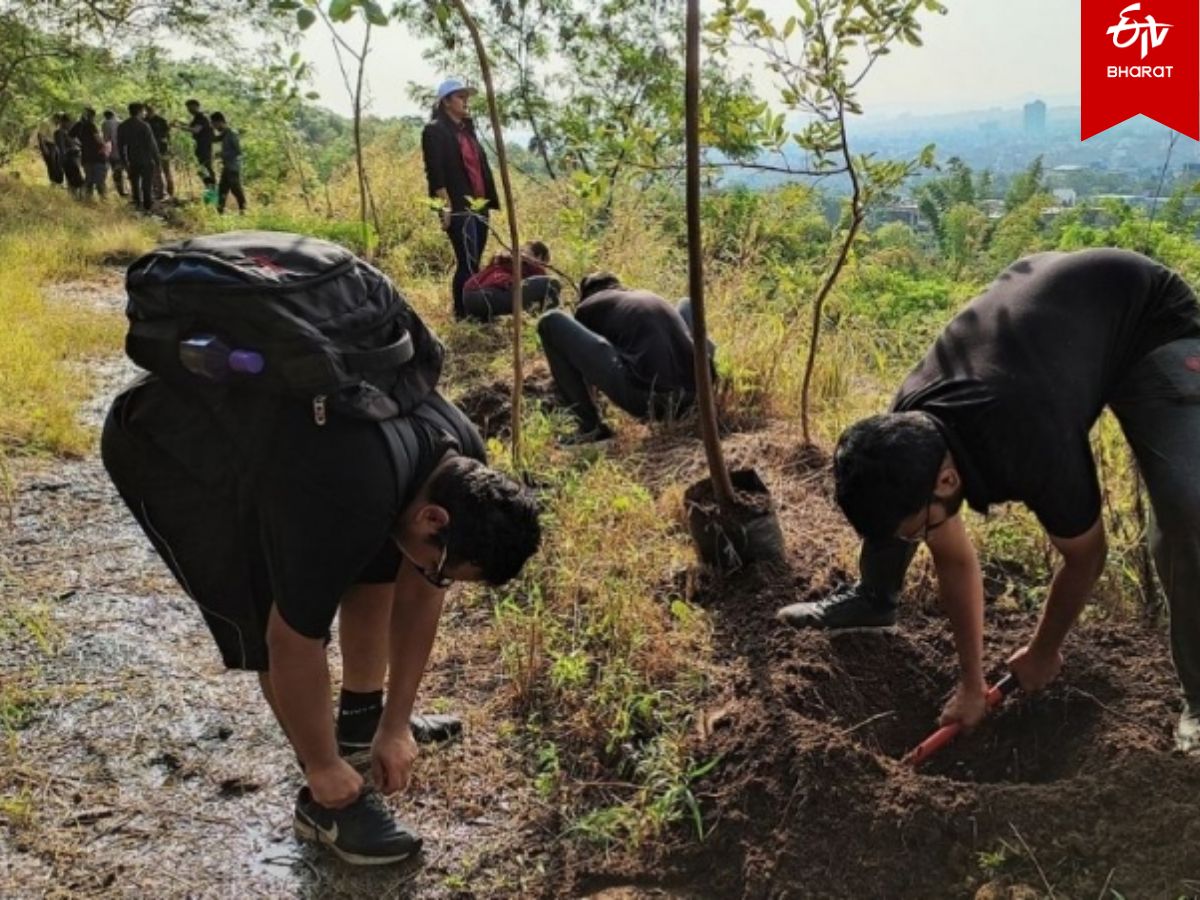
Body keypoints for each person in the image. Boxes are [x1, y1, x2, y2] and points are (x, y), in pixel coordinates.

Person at [102, 374, 542, 864]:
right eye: (441, 568)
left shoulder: (460, 462)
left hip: (299, 450)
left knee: (384, 558)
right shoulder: (345, 498)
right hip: (175, 448)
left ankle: (360, 721)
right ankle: (328, 804)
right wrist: (323, 763)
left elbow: (418, 591)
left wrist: (394, 724)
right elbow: (292, 642)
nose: (433, 578)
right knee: (266, 609)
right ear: (434, 519)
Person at [779, 249, 1200, 756]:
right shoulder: (907, 427)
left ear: (949, 478)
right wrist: (971, 683)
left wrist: (1044, 652)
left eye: (921, 529)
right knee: (893, 504)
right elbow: (955, 558)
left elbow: (1087, 555)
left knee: (1188, 509)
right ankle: (875, 599)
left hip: (1147, 317)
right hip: (1051, 322)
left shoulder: (1033, 442)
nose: (921, 540)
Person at [536, 272, 715, 444]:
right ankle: (721, 384)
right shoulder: (644, 297)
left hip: (650, 399)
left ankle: (590, 428)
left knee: (551, 321)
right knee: (685, 302)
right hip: (702, 393)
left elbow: (586, 362)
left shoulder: (589, 305)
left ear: (586, 294)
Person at [421, 78, 500, 319]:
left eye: (466, 97)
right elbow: (435, 172)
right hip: (458, 207)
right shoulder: (435, 130)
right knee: (467, 261)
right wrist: (445, 208)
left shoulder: (468, 130)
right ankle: (462, 313)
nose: (466, 102)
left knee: (474, 261)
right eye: (460, 97)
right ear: (445, 102)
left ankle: (474, 309)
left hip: (479, 204)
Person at [462, 241, 560, 322]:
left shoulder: (503, 258)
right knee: (552, 282)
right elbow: (541, 281)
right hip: (489, 294)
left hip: (469, 296)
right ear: (539, 257)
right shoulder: (527, 264)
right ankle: (551, 324)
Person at [118, 103, 160, 213]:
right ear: (140, 111)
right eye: (143, 111)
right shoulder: (144, 125)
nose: (144, 113)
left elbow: (120, 145)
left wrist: (124, 162)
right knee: (146, 184)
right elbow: (152, 145)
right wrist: (157, 160)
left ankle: (137, 205)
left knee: (134, 184)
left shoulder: (123, 126)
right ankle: (147, 206)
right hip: (146, 159)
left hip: (132, 159)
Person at [210, 112, 246, 215]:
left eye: (215, 125)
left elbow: (238, 151)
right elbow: (214, 139)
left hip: (233, 167)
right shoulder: (225, 133)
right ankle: (220, 213)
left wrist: (222, 154)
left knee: (235, 189)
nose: (215, 127)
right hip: (227, 166)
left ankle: (243, 210)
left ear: (220, 122)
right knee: (222, 190)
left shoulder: (231, 133)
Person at [69, 107, 108, 200]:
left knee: (89, 178)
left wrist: (79, 144)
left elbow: (70, 137)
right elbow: (98, 139)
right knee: (100, 179)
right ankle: (103, 198)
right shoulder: (91, 125)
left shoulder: (78, 125)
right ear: (92, 116)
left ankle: (87, 198)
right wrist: (105, 145)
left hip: (85, 155)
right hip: (97, 155)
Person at [178, 98, 216, 188]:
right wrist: (179, 123)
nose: (189, 110)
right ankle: (209, 188)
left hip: (205, 146)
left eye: (190, 108)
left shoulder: (201, 117)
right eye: (188, 108)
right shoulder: (197, 118)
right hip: (200, 146)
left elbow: (196, 130)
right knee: (202, 169)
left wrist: (179, 127)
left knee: (206, 167)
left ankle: (212, 189)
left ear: (196, 106)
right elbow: (190, 126)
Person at [145, 103, 175, 199]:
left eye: (150, 110)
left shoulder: (161, 120)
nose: (149, 112)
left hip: (163, 149)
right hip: (150, 151)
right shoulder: (144, 121)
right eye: (147, 110)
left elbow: (168, 135)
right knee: (154, 172)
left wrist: (169, 147)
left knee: (166, 171)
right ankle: (158, 192)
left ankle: (170, 192)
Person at [55, 113, 84, 199]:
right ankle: (75, 199)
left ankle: (77, 198)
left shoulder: (70, 133)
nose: (70, 125)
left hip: (74, 158)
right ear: (63, 122)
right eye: (68, 122)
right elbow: (61, 148)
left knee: (75, 181)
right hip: (68, 159)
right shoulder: (59, 133)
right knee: (75, 181)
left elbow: (78, 143)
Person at [101, 109, 126, 197]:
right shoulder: (120, 122)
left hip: (110, 151)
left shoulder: (104, 124)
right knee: (122, 170)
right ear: (113, 114)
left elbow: (105, 138)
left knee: (115, 171)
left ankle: (120, 190)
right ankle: (123, 190)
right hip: (121, 151)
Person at [37, 120, 64, 187]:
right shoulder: (46, 123)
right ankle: (53, 182)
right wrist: (44, 147)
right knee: (51, 164)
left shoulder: (58, 125)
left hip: (57, 145)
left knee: (59, 164)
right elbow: (40, 135)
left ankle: (60, 182)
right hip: (49, 145)